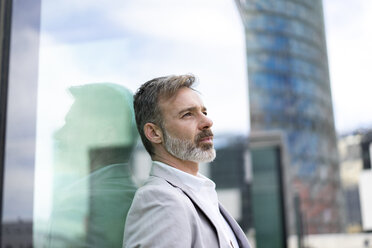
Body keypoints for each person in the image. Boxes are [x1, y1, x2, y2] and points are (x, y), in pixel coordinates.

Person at [123, 74, 251, 248]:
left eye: (204, 112)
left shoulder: (202, 192)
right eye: (188, 114)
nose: (207, 121)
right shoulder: (159, 200)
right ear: (154, 133)